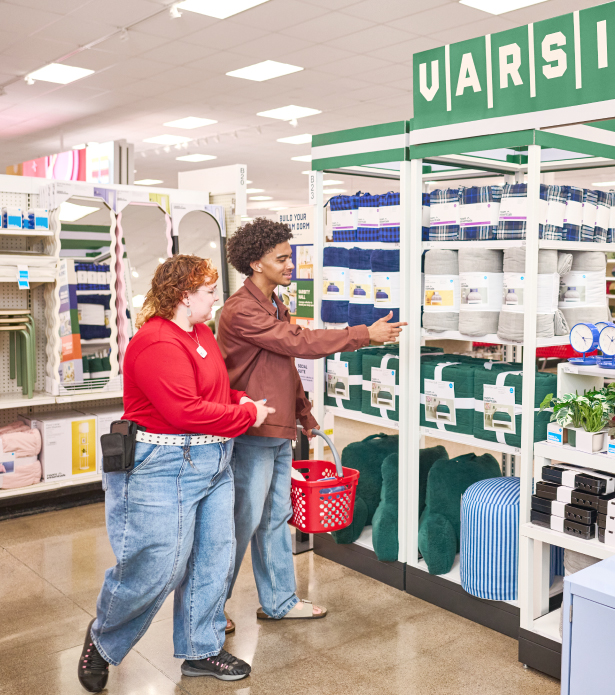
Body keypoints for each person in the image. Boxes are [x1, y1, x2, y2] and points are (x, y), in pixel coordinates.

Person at [78, 255, 274, 692]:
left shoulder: (201, 333)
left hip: (214, 462)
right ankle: (103, 639)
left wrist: (241, 400)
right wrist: (245, 416)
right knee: (158, 567)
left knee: (213, 560)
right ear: (185, 296)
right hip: (161, 467)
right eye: (209, 292)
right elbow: (184, 410)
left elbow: (213, 393)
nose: (216, 299)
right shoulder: (156, 342)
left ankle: (201, 649)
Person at [216, 218, 404, 630]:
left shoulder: (273, 304)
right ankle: (210, 608)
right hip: (254, 430)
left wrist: (303, 413)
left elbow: (283, 364)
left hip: (278, 426)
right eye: (281, 258)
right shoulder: (241, 309)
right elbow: (296, 343)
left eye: (291, 256)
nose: (291, 265)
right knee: (241, 522)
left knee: (274, 516)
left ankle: (280, 601)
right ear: (254, 263)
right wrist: (362, 335)